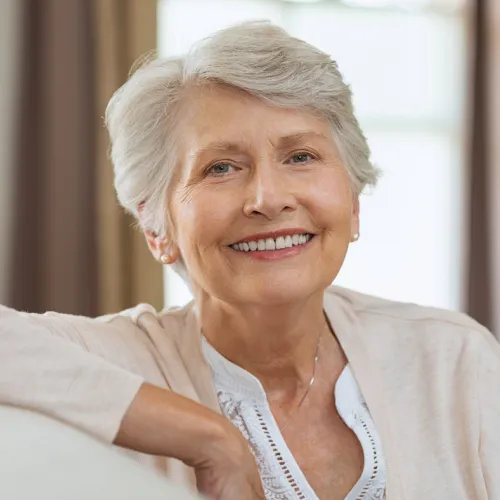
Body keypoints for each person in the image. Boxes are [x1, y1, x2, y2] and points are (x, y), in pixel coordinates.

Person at [1, 20, 499, 500]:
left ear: (352, 204)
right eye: (221, 167)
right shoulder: (117, 360)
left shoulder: (453, 361)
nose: (269, 197)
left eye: (300, 156)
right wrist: (206, 438)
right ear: (157, 229)